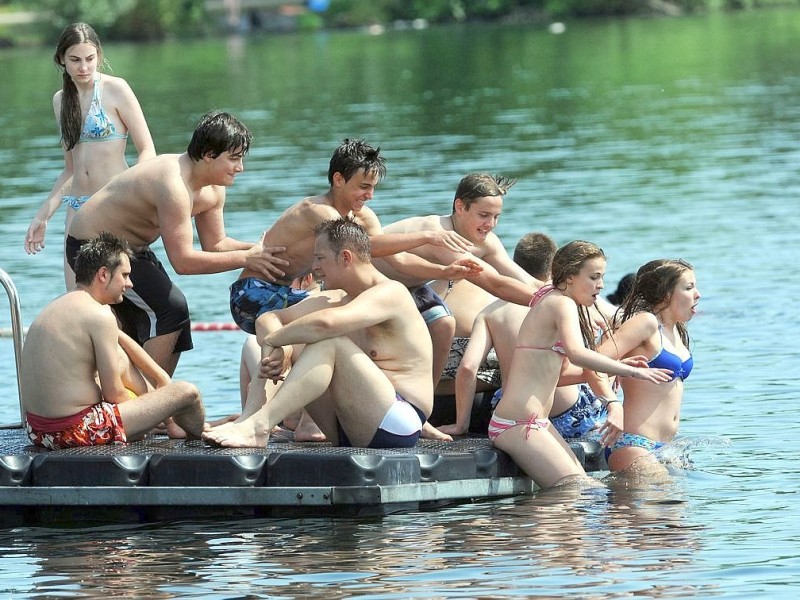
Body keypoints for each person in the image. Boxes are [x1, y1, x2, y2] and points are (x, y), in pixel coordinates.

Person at [66, 110, 287, 375]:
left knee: (176, 324)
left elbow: (216, 244)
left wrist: (260, 250)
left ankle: (158, 406)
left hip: (131, 248)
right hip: (91, 247)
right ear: (208, 154)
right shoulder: (174, 184)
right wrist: (248, 259)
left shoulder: (215, 188)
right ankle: (148, 403)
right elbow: (182, 262)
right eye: (234, 159)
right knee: (170, 309)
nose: (240, 168)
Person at [202, 217, 434, 449]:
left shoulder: (392, 293)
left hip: (399, 421)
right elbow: (268, 318)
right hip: (348, 426)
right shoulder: (336, 298)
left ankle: (259, 426)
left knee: (327, 342)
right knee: (282, 343)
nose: (314, 268)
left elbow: (326, 325)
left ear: (345, 257)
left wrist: (275, 339)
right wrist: (277, 349)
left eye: (320, 258)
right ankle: (249, 420)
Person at [229, 138, 476, 335]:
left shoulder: (363, 216)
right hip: (252, 296)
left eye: (373, 188)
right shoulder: (317, 211)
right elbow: (366, 247)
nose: (370, 195)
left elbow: (397, 259)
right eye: (363, 187)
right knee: (348, 306)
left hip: (289, 293)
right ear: (338, 179)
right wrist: (427, 237)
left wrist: (443, 272)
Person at [487, 240, 674, 490]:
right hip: (517, 423)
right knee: (581, 492)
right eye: (594, 277)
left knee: (589, 490)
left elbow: (564, 372)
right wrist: (627, 370)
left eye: (602, 277)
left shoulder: (553, 297)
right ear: (571, 276)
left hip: (536, 422)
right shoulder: (560, 302)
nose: (601, 285)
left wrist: (613, 363)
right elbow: (576, 354)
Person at [20, 232, 205, 450]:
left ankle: (174, 424)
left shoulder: (59, 306)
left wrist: (159, 380)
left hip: (38, 432)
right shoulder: (99, 314)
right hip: (75, 431)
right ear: (103, 274)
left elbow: (121, 342)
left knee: (121, 359)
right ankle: (200, 437)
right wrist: (147, 417)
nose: (130, 284)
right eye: (125, 275)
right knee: (187, 393)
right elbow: (114, 394)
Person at [377, 173, 543, 388]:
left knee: (444, 323)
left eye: (496, 216)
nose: (491, 224)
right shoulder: (441, 235)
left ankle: (428, 393)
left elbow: (528, 282)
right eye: (484, 215)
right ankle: (422, 395)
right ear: (460, 207)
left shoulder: (486, 241)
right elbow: (496, 285)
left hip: (409, 288)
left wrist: (575, 298)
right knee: (441, 322)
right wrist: (554, 305)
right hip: (365, 286)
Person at [24, 22, 156, 290]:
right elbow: (70, 169)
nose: (83, 67)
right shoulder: (60, 101)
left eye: (89, 59)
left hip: (113, 204)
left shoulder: (116, 89)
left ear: (99, 55)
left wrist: (132, 194)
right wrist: (42, 216)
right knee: (78, 294)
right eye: (75, 60)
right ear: (62, 59)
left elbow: (147, 150)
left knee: (123, 293)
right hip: (78, 209)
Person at [598, 259, 700, 475]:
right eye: (689, 288)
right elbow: (592, 362)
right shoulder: (645, 322)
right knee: (659, 502)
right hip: (635, 444)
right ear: (666, 294)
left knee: (674, 508)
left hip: (666, 448)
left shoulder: (676, 330)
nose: (697, 294)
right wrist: (612, 403)